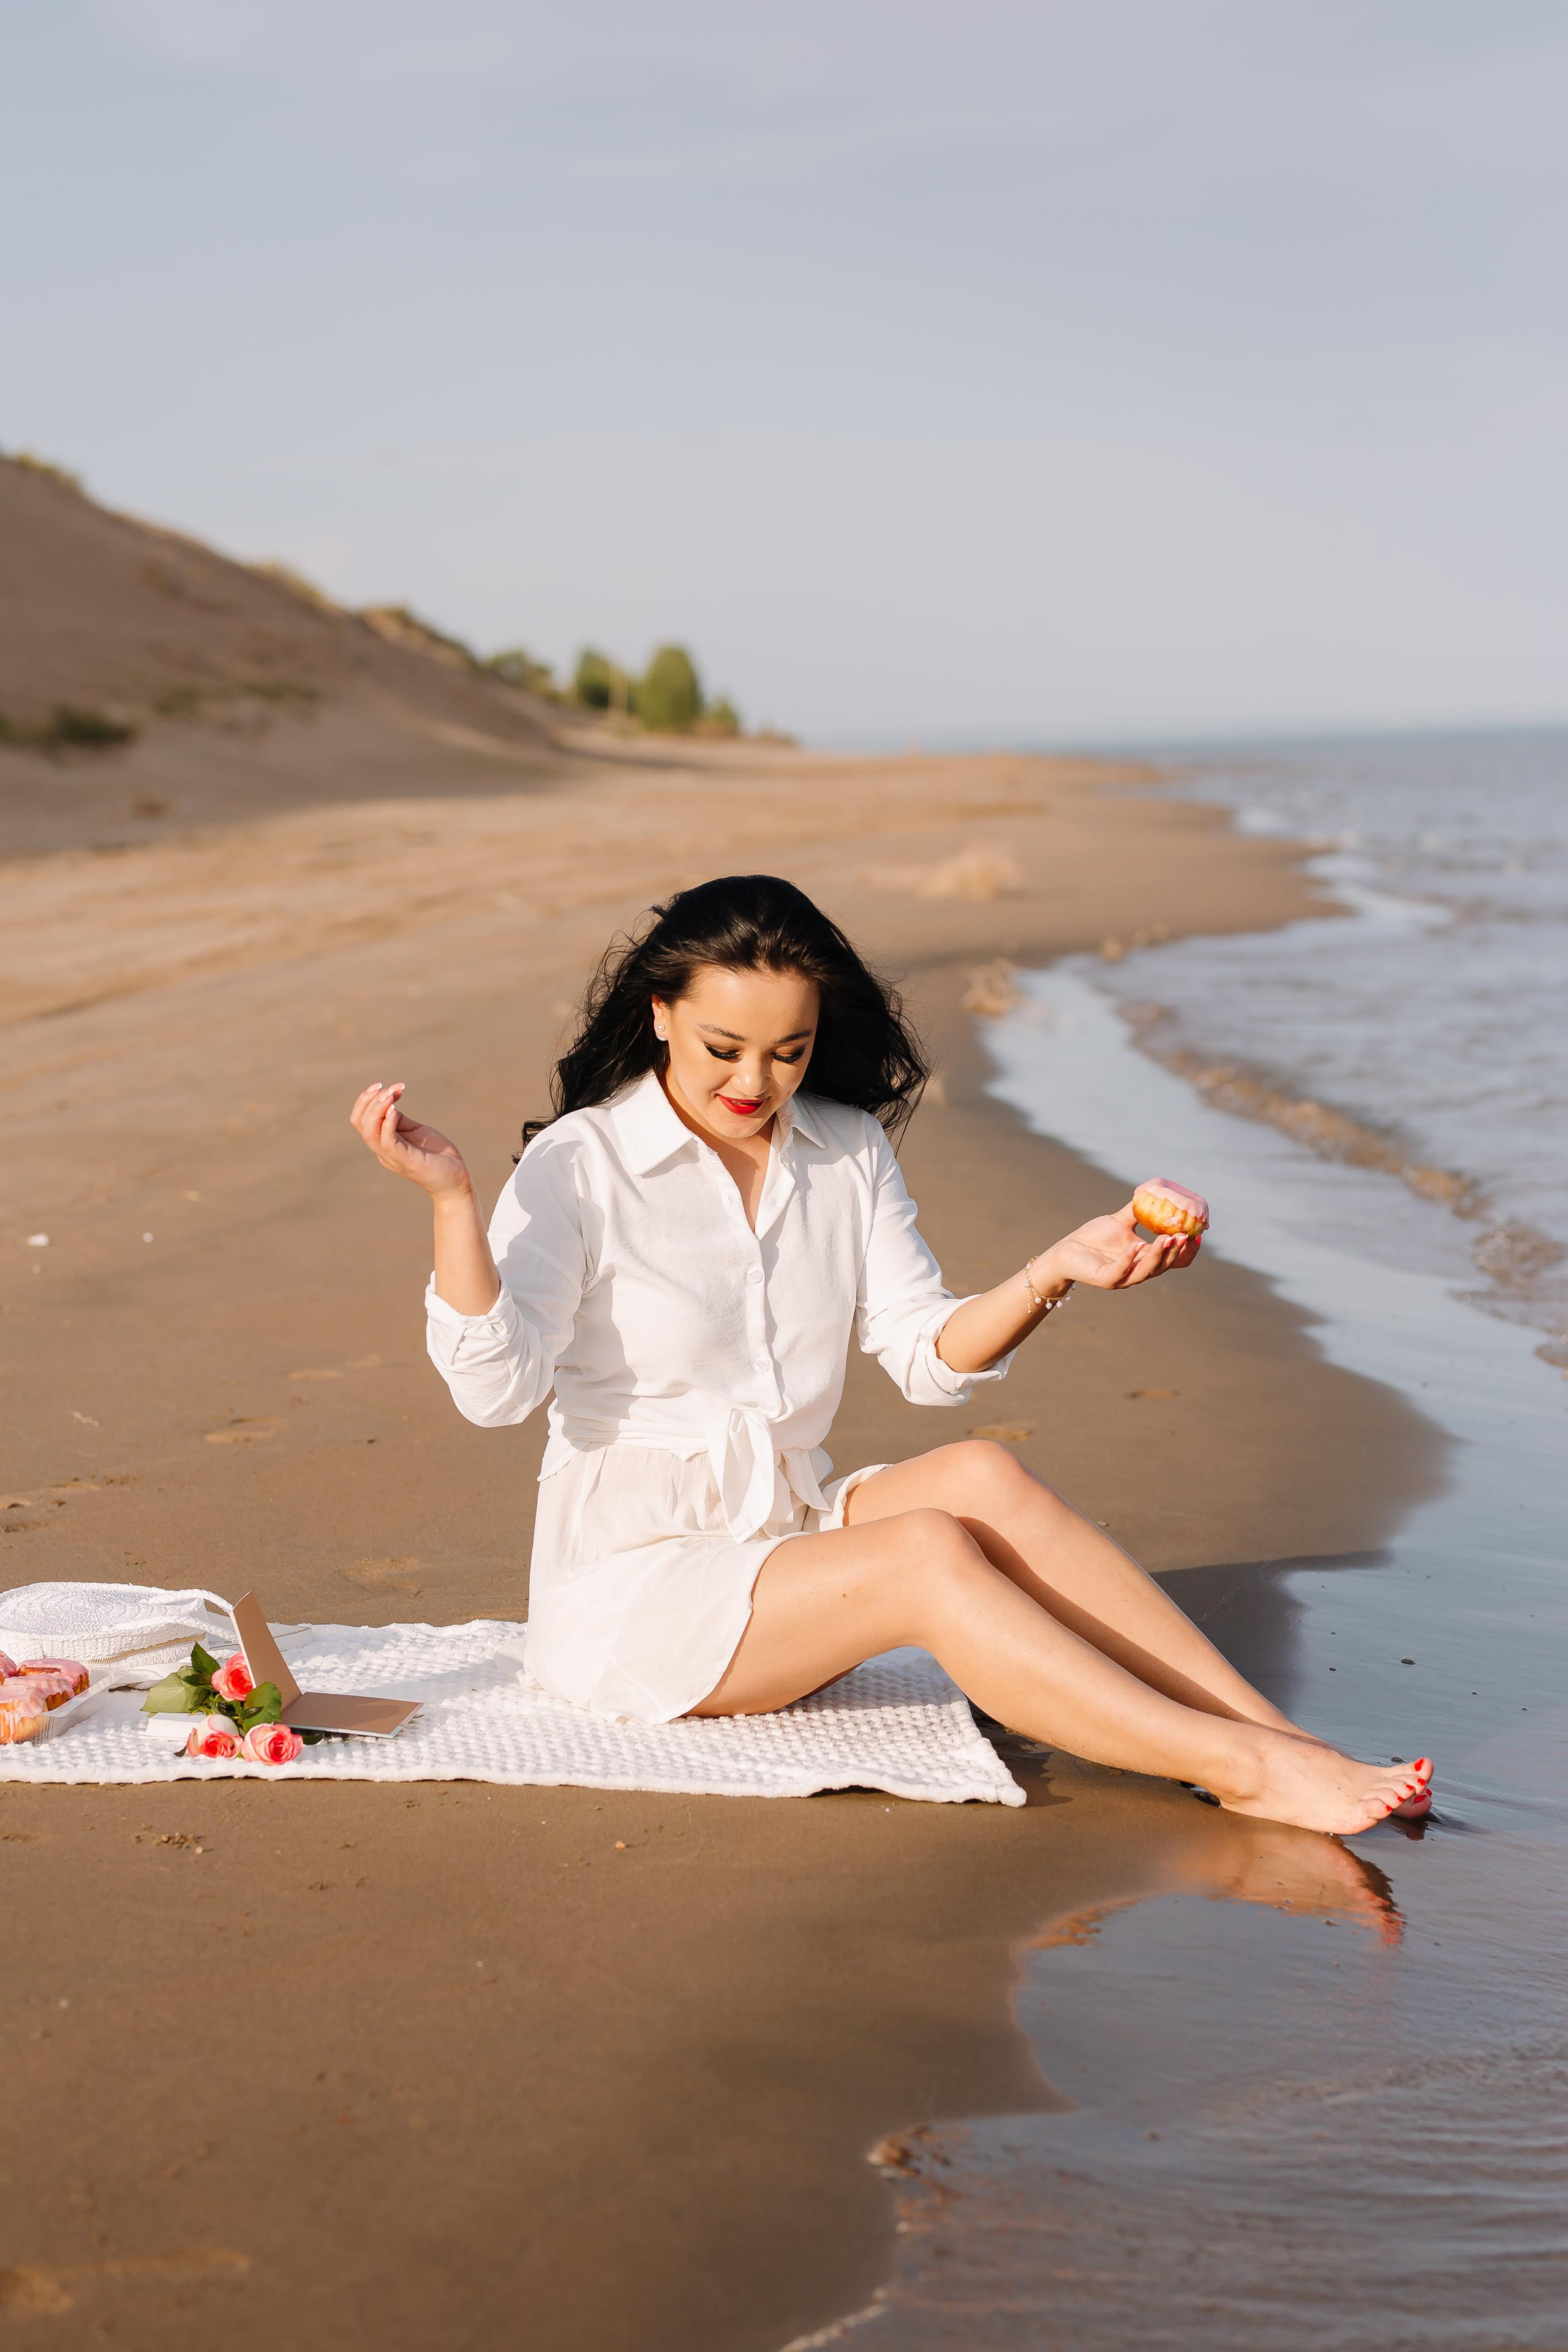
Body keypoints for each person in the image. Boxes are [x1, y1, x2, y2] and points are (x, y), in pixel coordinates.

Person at [350, 873, 1431, 1834]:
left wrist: (1054, 1269)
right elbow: (497, 1394)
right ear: (661, 1014)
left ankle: (1278, 1737)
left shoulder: (845, 1149)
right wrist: (453, 1201)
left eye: (790, 1050)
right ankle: (1236, 1770)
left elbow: (924, 1357)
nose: (754, 1083)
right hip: (635, 1589)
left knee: (980, 1475)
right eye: (725, 1049)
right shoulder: (584, 1164)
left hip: (784, 1527)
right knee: (925, 1552)